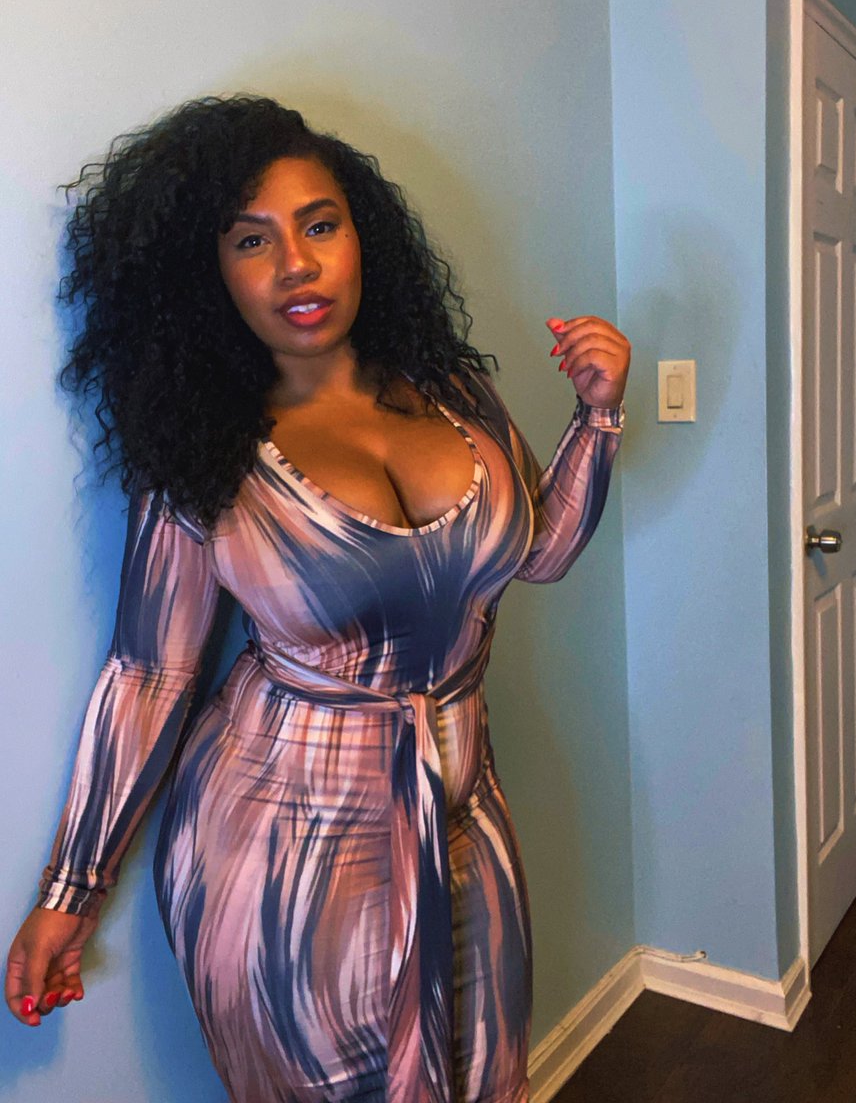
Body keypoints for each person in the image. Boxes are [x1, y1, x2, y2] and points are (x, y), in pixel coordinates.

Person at [4, 95, 630, 1103]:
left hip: (465, 810)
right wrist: (71, 891)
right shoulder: (201, 453)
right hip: (281, 849)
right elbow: (151, 673)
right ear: (208, 272)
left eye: (319, 225)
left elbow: (539, 555)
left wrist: (595, 420)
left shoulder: (451, 389)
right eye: (252, 240)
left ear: (360, 234)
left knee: (486, 1076)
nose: (296, 264)